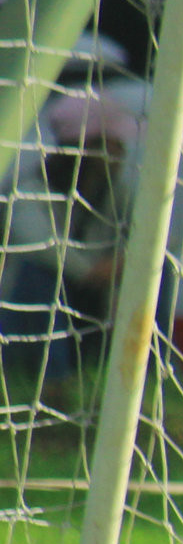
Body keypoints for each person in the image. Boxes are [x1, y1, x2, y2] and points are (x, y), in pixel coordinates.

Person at [0, 120, 131, 409]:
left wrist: (124, 262)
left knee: (161, 273)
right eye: (112, 147)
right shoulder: (29, 188)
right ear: (84, 151)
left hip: (93, 302)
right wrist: (92, 271)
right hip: (28, 314)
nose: (121, 155)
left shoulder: (117, 193)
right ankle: (53, 379)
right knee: (39, 273)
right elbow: (42, 244)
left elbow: (163, 238)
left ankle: (152, 369)